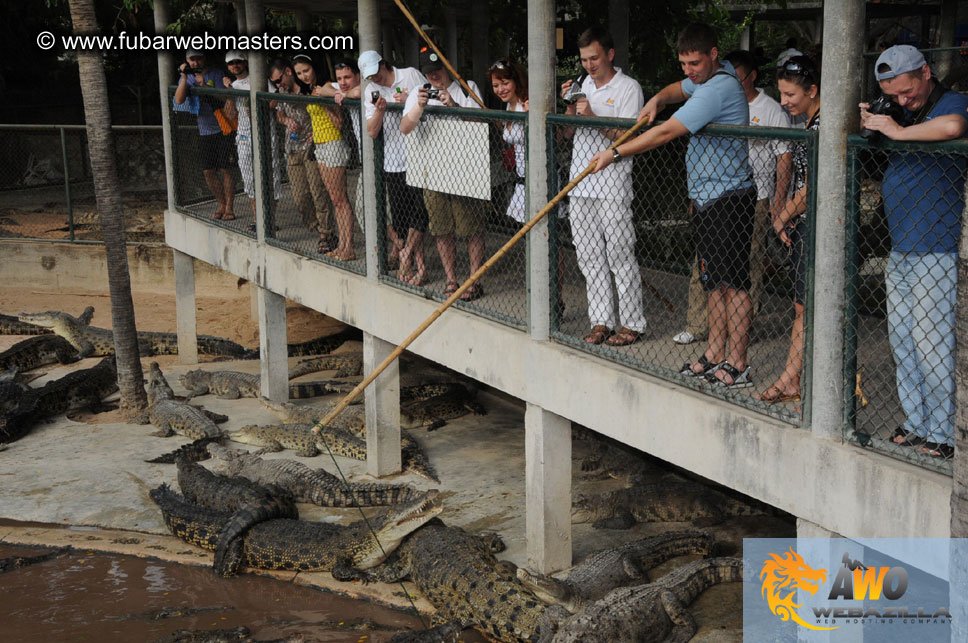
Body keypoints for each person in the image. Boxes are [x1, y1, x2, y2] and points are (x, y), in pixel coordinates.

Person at [590, 23, 756, 389]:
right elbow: (676, 90)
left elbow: (665, 133)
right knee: (713, 282)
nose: (688, 71)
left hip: (730, 197)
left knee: (734, 284)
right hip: (706, 196)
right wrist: (657, 100)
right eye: (683, 63)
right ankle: (715, 354)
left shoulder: (720, 87)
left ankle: (738, 363)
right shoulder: (704, 78)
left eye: (694, 63)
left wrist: (615, 152)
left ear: (714, 54)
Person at [860, 45, 968, 459]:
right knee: (902, 338)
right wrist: (878, 119)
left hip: (937, 248)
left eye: (908, 92)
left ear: (926, 72)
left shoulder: (951, 101)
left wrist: (897, 129)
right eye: (894, 95)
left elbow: (953, 128)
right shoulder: (902, 112)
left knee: (932, 341)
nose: (904, 101)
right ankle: (917, 421)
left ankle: (943, 432)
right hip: (902, 247)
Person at [673, 50, 793, 346]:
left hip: (755, 197)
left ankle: (740, 332)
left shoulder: (771, 109)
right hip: (712, 195)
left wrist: (778, 203)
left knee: (745, 267)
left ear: (751, 76)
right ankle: (699, 325)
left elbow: (784, 157)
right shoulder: (712, 94)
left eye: (737, 76)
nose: (731, 80)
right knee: (704, 266)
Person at [559, 27, 646, 346]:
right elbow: (566, 135)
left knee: (621, 253)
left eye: (594, 57)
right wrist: (569, 106)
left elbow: (629, 139)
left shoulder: (628, 88)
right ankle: (601, 321)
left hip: (613, 184)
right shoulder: (581, 85)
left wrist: (594, 116)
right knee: (588, 256)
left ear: (609, 54)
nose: (589, 65)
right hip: (581, 185)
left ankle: (633, 323)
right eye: (584, 59)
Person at [753, 55, 821, 405]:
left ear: (812, 90)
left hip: (818, 226)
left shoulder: (823, 124)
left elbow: (815, 186)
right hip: (804, 223)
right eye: (781, 93)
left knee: (806, 307)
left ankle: (791, 379)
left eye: (791, 94)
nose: (784, 102)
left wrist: (781, 216)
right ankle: (791, 378)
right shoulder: (807, 123)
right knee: (802, 307)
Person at [401, 48, 487, 301]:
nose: (434, 76)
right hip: (433, 171)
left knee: (472, 228)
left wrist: (454, 105)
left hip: (465, 170)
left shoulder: (466, 87)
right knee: (441, 229)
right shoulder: (419, 94)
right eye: (429, 73)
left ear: (447, 66)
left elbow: (483, 122)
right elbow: (405, 127)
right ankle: (451, 280)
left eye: (437, 70)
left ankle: (474, 280)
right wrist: (419, 105)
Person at [361, 50, 430, 285]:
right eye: (369, 76)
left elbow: (431, 100)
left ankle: (405, 256)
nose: (375, 79)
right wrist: (381, 109)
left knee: (420, 214)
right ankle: (417, 266)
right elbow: (371, 131)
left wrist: (409, 101)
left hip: (419, 156)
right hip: (392, 160)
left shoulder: (410, 75)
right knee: (402, 219)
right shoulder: (371, 90)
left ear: (383, 64)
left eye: (376, 72)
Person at [292, 54, 356, 261]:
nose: (303, 76)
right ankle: (342, 246)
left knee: (340, 200)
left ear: (314, 68)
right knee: (335, 201)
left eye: (306, 71)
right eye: (299, 73)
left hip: (333, 144)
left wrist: (323, 101)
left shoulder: (326, 86)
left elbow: (338, 121)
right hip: (320, 145)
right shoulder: (312, 89)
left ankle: (348, 248)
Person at [269, 59, 335, 252]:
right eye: (274, 83)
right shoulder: (281, 93)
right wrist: (287, 120)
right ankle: (316, 226)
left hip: (311, 145)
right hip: (292, 147)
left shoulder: (308, 89)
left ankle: (326, 233)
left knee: (318, 191)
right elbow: (279, 114)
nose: (278, 84)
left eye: (279, 79)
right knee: (300, 196)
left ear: (288, 72)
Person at [174, 50, 236, 221]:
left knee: (226, 168)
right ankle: (221, 203)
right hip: (204, 129)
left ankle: (229, 207)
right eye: (192, 60)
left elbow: (225, 97)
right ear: (187, 60)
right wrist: (185, 77)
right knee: (208, 170)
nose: (196, 63)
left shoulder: (216, 74)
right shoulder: (188, 77)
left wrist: (205, 87)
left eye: (198, 58)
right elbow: (178, 99)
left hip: (224, 127)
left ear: (204, 58)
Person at [221, 51, 282, 222]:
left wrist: (261, 107)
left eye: (238, 62)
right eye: (231, 63)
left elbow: (275, 99)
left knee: (272, 174)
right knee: (249, 177)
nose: (235, 65)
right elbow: (231, 114)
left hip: (265, 132)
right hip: (245, 134)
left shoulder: (259, 79)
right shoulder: (233, 85)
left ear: (245, 62)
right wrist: (229, 92)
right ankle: (258, 220)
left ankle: (269, 219)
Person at [314, 59, 364, 232]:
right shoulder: (341, 87)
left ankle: (399, 247)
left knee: (359, 206)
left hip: (386, 155)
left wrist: (343, 95)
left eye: (347, 77)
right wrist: (337, 91)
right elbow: (323, 89)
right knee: (346, 203)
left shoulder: (367, 85)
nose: (343, 82)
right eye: (340, 78)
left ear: (358, 75)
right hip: (366, 156)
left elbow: (358, 92)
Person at [488, 58, 528, 224]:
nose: (500, 89)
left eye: (505, 83)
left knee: (543, 231)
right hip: (521, 176)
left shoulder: (526, 104)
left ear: (516, 81)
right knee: (529, 230)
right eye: (496, 85)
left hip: (537, 175)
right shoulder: (508, 106)